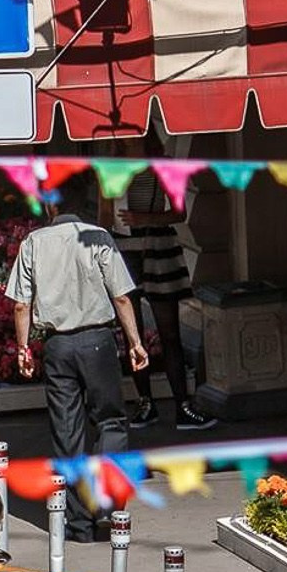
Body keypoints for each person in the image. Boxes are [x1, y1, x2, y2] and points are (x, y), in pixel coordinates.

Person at [4, 171, 149, 539]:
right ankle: (108, 505)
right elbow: (120, 295)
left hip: (57, 346)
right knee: (111, 422)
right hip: (97, 341)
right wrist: (135, 342)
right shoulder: (98, 237)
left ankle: (79, 522)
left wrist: (24, 347)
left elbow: (22, 304)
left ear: (51, 203)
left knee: (67, 431)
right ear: (82, 203)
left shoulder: (33, 242)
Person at [112, 172, 213, 432]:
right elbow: (105, 215)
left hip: (158, 246)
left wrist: (147, 218)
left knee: (169, 332)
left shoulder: (161, 165)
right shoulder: (111, 164)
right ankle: (145, 403)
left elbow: (179, 212)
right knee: (132, 336)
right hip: (125, 247)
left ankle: (182, 404)